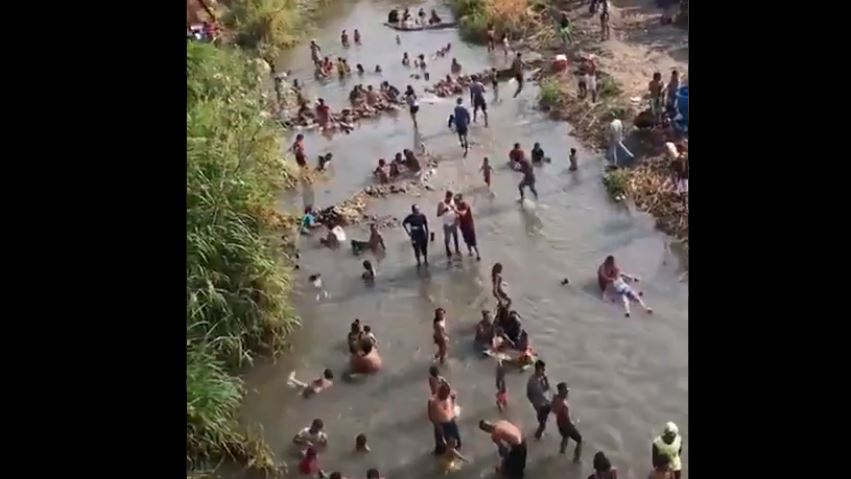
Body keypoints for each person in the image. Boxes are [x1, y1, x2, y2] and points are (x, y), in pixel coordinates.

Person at [551, 382, 582, 461]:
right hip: (566, 425)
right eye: (566, 391)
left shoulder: (555, 398)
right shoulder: (564, 404)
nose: (567, 392)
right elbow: (568, 418)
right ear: (561, 391)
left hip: (559, 424)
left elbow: (553, 410)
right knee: (579, 439)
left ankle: (562, 452)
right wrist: (573, 424)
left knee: (565, 437)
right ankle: (576, 459)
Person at [428, 382, 461, 454]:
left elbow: (453, 403)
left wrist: (454, 413)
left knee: (456, 441)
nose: (446, 396)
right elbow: (430, 415)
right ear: (440, 391)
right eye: (444, 394)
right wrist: (437, 425)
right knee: (441, 445)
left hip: (451, 421)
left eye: (447, 394)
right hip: (440, 424)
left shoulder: (449, 396)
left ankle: (455, 454)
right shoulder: (433, 401)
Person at [527, 360, 551, 440]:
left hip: (546, 403)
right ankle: (536, 438)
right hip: (540, 406)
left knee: (543, 422)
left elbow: (546, 388)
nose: (544, 371)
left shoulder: (541, 379)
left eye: (544, 369)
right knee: (542, 425)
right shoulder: (532, 381)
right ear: (537, 369)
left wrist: (546, 379)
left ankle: (538, 435)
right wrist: (534, 404)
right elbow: (528, 394)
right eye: (542, 369)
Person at [454, 194, 480, 260]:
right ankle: (470, 252)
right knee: (467, 241)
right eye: (455, 201)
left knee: (473, 242)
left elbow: (463, 213)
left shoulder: (465, 205)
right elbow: (457, 217)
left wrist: (455, 210)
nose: (456, 203)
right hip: (463, 227)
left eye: (457, 201)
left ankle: (478, 254)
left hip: (469, 226)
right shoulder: (457, 207)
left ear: (460, 200)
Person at [437, 191, 461, 258]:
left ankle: (457, 250)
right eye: (449, 198)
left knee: (456, 237)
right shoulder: (441, 203)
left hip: (453, 222)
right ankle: (447, 250)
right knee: (447, 239)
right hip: (446, 224)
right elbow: (438, 214)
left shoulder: (453, 201)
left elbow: (456, 210)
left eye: (451, 198)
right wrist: (444, 210)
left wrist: (457, 218)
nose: (450, 199)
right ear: (446, 196)